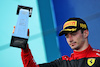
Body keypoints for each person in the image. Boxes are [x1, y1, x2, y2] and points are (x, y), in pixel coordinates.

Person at [19, 17, 100, 67]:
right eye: (67, 36)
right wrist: (25, 48)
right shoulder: (63, 63)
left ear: (85, 33)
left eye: (73, 34)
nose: (70, 39)